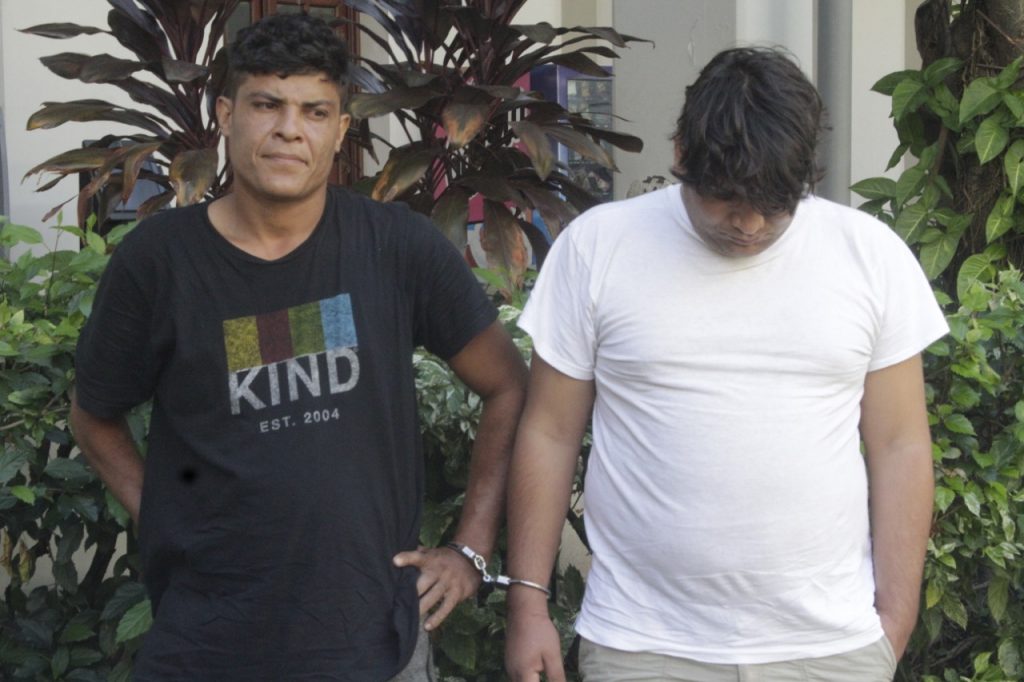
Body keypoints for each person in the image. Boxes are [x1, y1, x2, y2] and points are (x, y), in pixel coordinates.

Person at [70, 13, 527, 681]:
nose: (290, 129)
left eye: (315, 111)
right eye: (267, 104)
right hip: (206, 647)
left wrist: (471, 548)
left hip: (371, 644)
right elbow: (93, 414)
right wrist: (165, 516)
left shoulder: (396, 247)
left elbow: (508, 385)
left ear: (339, 131)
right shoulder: (158, 262)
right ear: (226, 115)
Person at [504, 47, 947, 682]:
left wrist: (894, 624)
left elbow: (901, 443)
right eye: (729, 199)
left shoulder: (870, 256)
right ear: (682, 153)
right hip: (643, 646)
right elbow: (549, 432)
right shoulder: (598, 247)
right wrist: (527, 606)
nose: (751, 223)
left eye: (776, 202)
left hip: (829, 648)